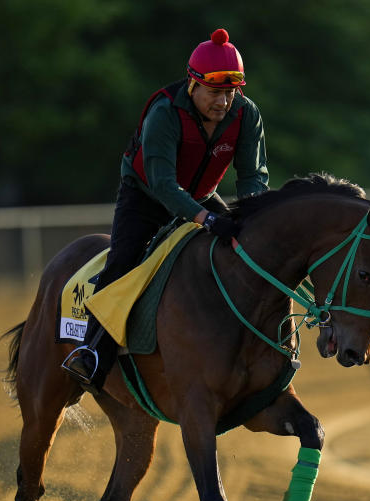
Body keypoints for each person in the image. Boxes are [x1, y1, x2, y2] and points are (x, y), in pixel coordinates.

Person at [62, 28, 269, 391]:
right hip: (146, 197)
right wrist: (206, 219)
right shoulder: (164, 112)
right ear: (193, 85)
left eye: (231, 92)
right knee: (123, 262)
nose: (223, 102)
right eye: (215, 92)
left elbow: (253, 176)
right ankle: (92, 352)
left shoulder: (246, 114)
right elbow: (162, 184)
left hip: (203, 195)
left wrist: (249, 216)